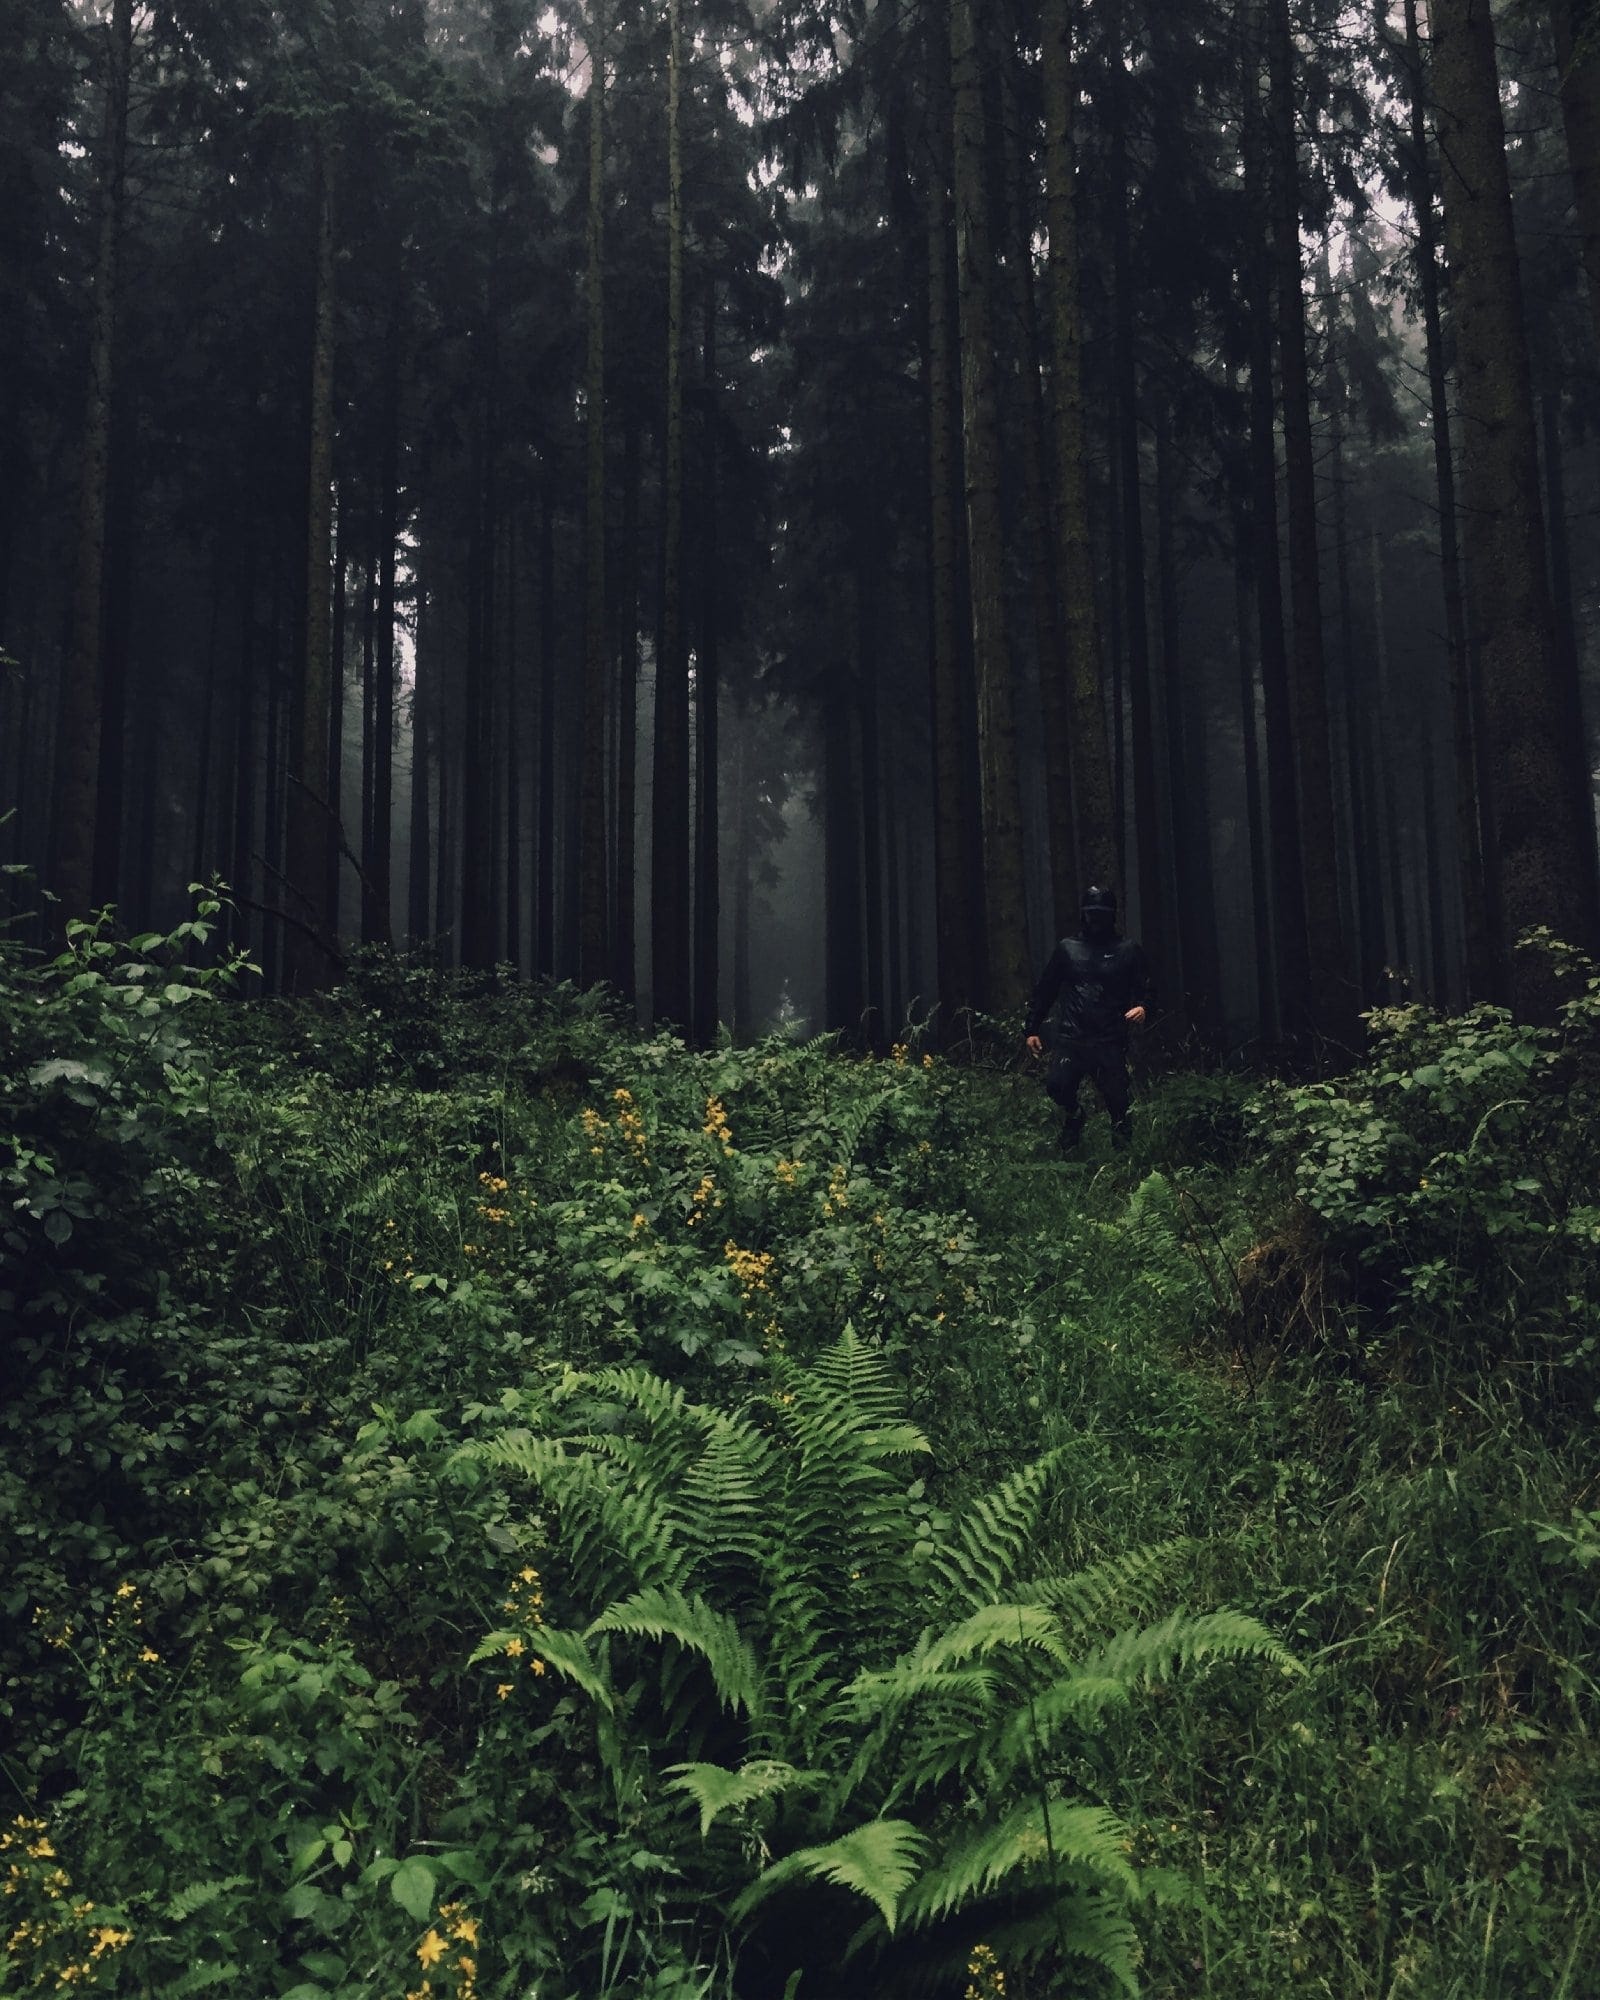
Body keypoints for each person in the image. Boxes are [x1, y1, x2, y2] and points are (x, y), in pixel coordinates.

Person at [1024, 884, 1149, 1150]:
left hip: (1109, 1038)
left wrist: (1143, 1006)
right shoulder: (1068, 949)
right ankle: (1075, 1117)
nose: (1096, 921)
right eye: (1092, 914)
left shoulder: (1127, 950)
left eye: (1101, 914)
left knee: (1118, 1101)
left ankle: (1125, 1161)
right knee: (1057, 1086)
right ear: (1084, 915)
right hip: (1073, 1037)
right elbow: (1046, 989)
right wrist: (1031, 1028)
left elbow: (1146, 986)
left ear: (1111, 916)